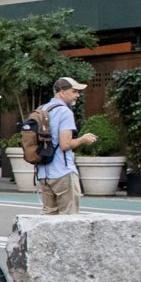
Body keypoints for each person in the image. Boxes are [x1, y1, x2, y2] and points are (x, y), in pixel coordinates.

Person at [31, 76, 95, 216]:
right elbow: (65, 144)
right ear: (61, 92)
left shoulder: (42, 109)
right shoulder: (64, 112)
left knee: (48, 216)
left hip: (43, 173)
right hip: (62, 172)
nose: (77, 95)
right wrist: (83, 139)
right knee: (68, 217)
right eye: (74, 91)